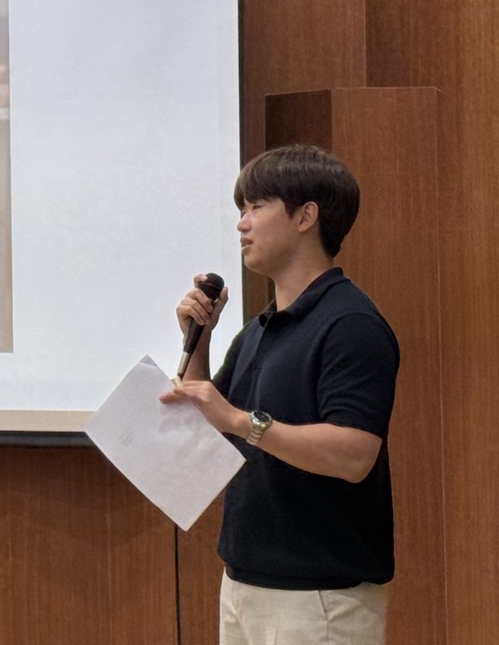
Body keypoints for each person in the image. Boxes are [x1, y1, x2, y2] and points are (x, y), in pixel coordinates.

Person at [161, 144, 399, 645]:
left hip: (320, 599)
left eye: (256, 207)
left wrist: (242, 421)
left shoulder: (351, 324)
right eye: (240, 210)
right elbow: (213, 425)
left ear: (305, 217)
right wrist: (199, 341)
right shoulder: (260, 329)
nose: (241, 224)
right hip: (243, 583)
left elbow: (354, 454)